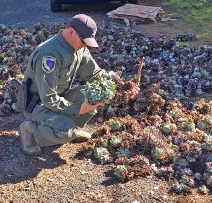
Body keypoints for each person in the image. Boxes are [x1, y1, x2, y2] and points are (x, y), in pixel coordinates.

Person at [18, 14, 139, 156]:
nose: (86, 45)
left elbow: (95, 74)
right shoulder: (48, 55)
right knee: (65, 131)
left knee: (95, 95)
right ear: (71, 32)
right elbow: (48, 98)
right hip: (38, 105)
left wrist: (121, 88)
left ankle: (71, 128)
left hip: (59, 98)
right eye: (84, 41)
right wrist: (78, 109)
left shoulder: (78, 47)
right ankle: (30, 131)